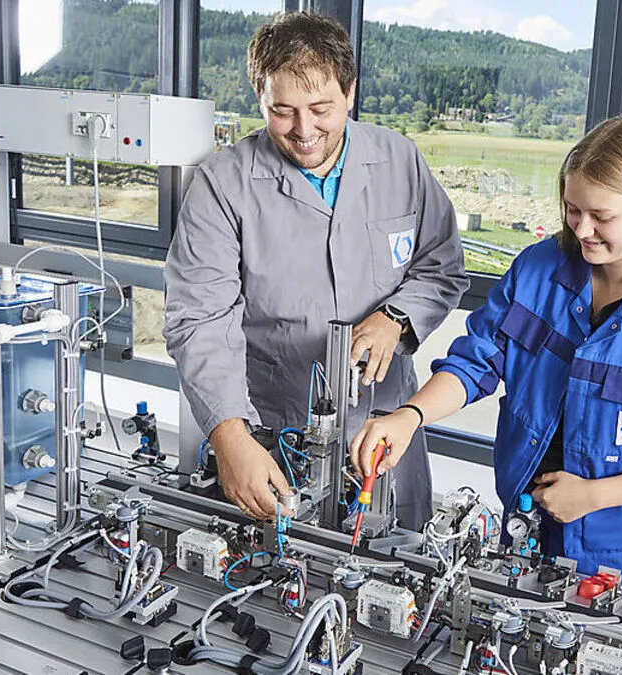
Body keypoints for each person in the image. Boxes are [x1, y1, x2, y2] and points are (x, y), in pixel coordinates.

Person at [350, 115, 622, 583]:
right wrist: (409, 416)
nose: (582, 230)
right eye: (572, 210)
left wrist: (591, 497)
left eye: (602, 216)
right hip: (523, 515)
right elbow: (477, 361)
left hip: (610, 547)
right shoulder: (539, 270)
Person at [164, 12, 468, 528]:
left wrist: (397, 316)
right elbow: (199, 318)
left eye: (321, 108)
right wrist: (230, 436)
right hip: (272, 433)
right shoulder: (223, 183)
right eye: (282, 111)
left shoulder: (400, 161)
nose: (304, 131)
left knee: (395, 585)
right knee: (271, 582)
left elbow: (441, 267)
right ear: (259, 99)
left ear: (350, 92)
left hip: (383, 429)